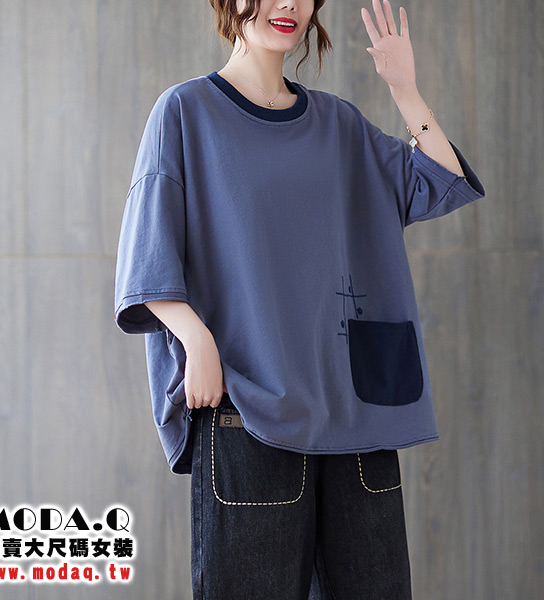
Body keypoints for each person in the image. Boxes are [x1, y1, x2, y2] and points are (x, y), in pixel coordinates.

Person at [114, 0, 486, 598]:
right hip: (248, 411)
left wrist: (405, 89)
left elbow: (441, 182)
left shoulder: (339, 123)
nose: (289, 4)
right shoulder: (186, 111)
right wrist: (196, 339)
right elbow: (147, 254)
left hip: (355, 414)